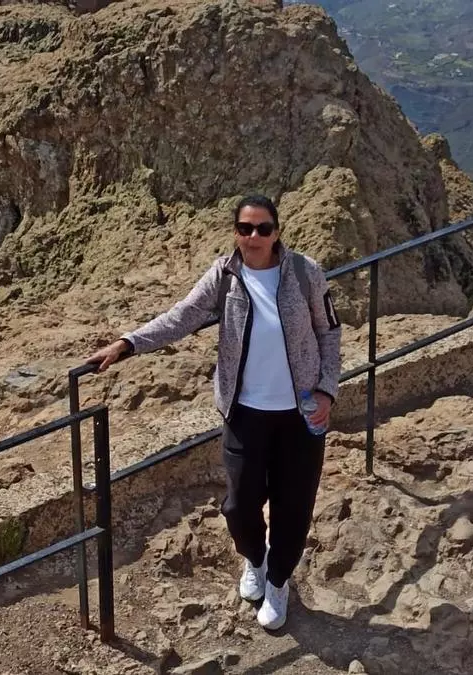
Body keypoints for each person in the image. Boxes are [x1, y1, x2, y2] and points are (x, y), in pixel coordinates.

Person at [85, 194, 342, 629]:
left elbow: (329, 332)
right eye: (245, 228)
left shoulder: (304, 272)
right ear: (235, 233)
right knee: (239, 506)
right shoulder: (224, 275)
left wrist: (326, 391)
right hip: (244, 412)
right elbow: (182, 316)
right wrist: (128, 342)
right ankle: (256, 560)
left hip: (300, 414)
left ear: (277, 232)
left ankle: (278, 581)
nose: (254, 236)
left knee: (294, 506)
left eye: (263, 228)